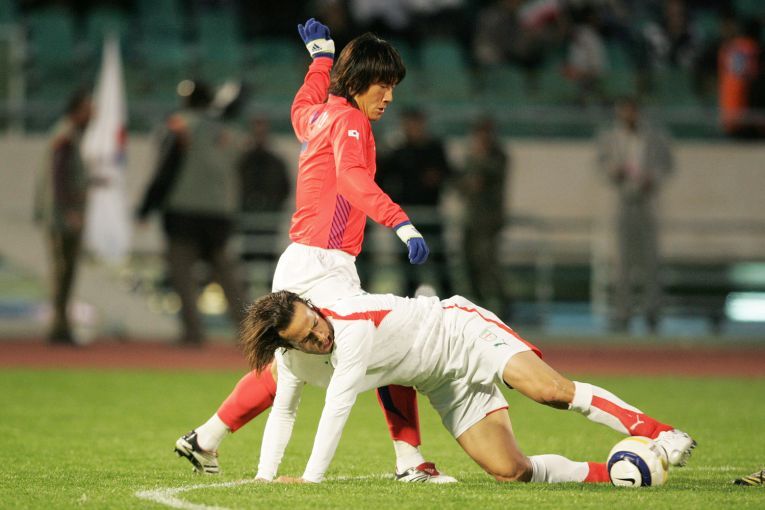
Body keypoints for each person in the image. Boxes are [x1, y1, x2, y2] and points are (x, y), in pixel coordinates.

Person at [174, 19, 452, 483]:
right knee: (392, 344)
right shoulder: (352, 121)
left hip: (300, 259)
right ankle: (408, 460)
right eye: (383, 85)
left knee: (291, 365)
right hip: (325, 263)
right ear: (359, 81)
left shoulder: (322, 115)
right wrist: (401, 223)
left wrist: (320, 60)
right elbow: (353, 180)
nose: (389, 97)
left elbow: (300, 106)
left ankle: (207, 437)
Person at [242, 289, 696, 484]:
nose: (320, 335)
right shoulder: (291, 360)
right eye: (307, 337)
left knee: (549, 391)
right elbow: (284, 410)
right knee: (511, 471)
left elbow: (336, 408)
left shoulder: (350, 328)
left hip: (461, 332)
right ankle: (614, 474)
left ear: (314, 307)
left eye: (315, 321)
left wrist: (310, 480)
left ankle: (663, 433)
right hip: (439, 380)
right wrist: (266, 478)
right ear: (288, 345)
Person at [136, 79, 247, 345]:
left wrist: (146, 208)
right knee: (227, 275)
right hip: (220, 214)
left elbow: (165, 170)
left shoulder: (179, 126)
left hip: (183, 212)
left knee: (183, 277)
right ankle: (249, 331)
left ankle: (193, 332)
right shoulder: (230, 132)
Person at [596, 97, 674, 333]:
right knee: (622, 261)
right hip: (623, 200)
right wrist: (614, 172)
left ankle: (652, 311)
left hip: (647, 201)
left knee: (651, 260)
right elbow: (602, 165)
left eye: (631, 111)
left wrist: (653, 178)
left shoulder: (654, 137)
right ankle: (623, 312)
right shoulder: (611, 137)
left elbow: (667, 165)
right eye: (624, 111)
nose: (628, 115)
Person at [33, 88, 94, 345]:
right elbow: (58, 176)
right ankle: (58, 327)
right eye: (89, 109)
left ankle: (61, 325)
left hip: (62, 214)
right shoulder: (66, 136)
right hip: (62, 217)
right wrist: (69, 210)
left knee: (65, 272)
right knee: (62, 272)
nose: (93, 114)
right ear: (77, 110)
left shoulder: (68, 134)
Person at [377, 107, 454, 297]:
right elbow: (381, 177)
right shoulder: (398, 150)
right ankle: (410, 300)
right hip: (407, 215)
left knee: (439, 260)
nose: (412, 128)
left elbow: (448, 174)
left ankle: (449, 301)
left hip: (431, 214)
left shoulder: (434, 149)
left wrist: (436, 178)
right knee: (407, 263)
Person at [457, 116, 511, 318]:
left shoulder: (497, 156)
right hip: (471, 219)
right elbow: (463, 185)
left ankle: (503, 305)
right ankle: (478, 304)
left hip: (489, 221)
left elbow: (482, 179)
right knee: (468, 262)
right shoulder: (472, 156)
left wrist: (477, 164)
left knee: (487, 262)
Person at [237, 116, 291, 275]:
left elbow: (284, 188)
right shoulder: (244, 160)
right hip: (248, 216)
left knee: (268, 258)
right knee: (247, 258)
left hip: (269, 216)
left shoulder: (275, 161)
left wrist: (273, 205)